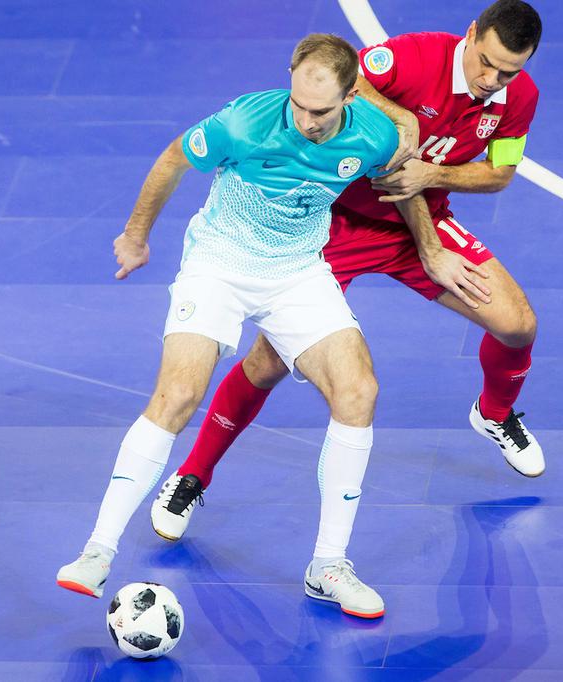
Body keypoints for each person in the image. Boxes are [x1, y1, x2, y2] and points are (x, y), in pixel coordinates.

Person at [151, 0, 545, 542]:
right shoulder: (412, 58)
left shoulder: (518, 99)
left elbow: (500, 173)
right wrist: (402, 117)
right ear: (471, 34)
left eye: (508, 71)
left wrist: (433, 174)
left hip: (421, 220)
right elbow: (345, 77)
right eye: (486, 62)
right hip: (334, 223)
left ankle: (495, 412)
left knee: (518, 323)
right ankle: (193, 474)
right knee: (267, 364)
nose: (490, 80)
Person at [56, 34, 403, 619]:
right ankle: (97, 550)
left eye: (320, 111)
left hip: (297, 272)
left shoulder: (375, 135)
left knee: (359, 390)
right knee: (179, 393)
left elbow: (398, 178)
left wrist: (430, 244)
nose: (304, 119)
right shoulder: (245, 120)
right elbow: (172, 158)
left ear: (351, 95)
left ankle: (328, 565)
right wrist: (137, 236)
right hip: (219, 263)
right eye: (297, 103)